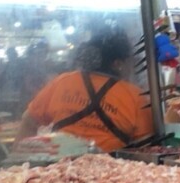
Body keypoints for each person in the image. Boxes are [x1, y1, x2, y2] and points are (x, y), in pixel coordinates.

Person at [16, 30, 154, 152]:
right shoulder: (136, 97)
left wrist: (20, 162)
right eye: (129, 62)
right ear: (118, 64)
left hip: (57, 170)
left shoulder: (63, 82)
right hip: (110, 175)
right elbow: (145, 148)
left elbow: (28, 121)